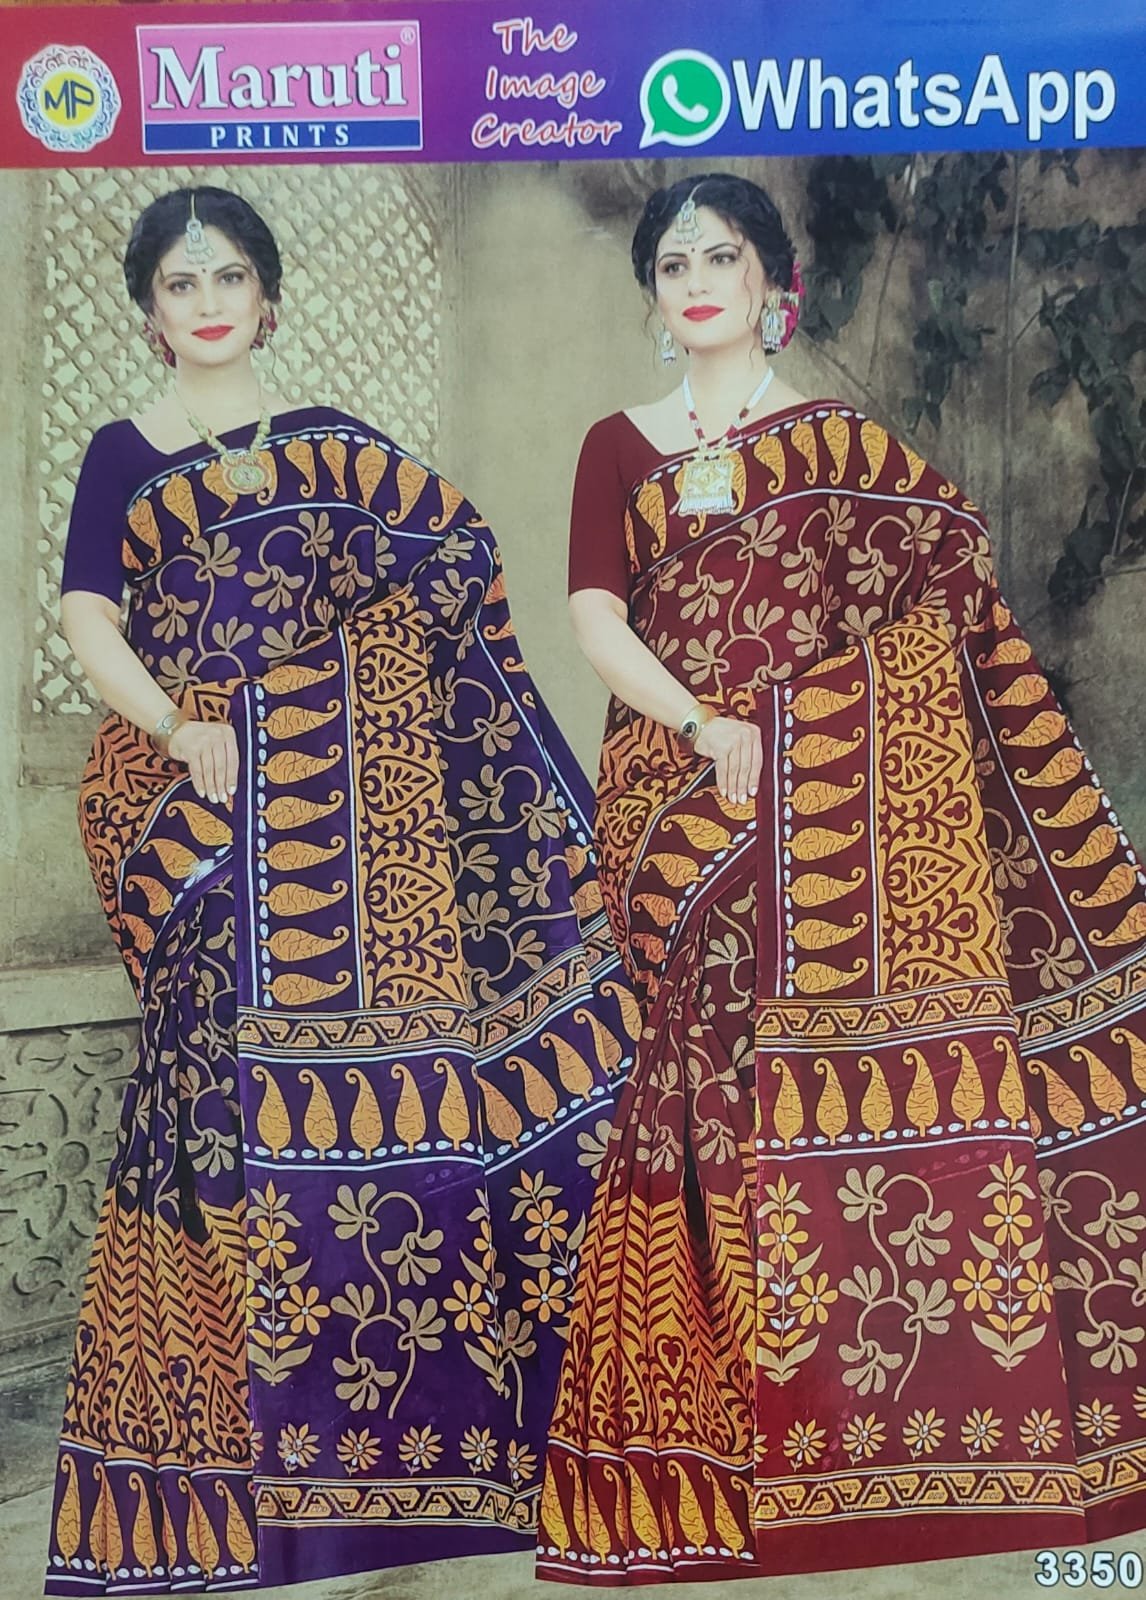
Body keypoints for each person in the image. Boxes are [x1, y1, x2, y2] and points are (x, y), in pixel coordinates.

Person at [538, 171, 1146, 1585]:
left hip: (835, 797)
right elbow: (594, 616)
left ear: (771, 282)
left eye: (722, 257)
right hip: (672, 786)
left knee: (781, 1069)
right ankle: (707, 1444)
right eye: (674, 262)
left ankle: (839, 1420)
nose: (698, 280)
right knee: (699, 1057)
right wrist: (708, 725)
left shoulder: (842, 446)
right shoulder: (618, 445)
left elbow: (946, 591)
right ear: (652, 293)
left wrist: (813, 729)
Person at [46, 184, 637, 1596]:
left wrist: (333, 695)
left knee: (420, 1100)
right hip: (198, 810)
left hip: (356, 835)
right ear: (150, 312)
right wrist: (183, 726)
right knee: (210, 1108)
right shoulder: (124, 454)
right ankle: (224, 1478)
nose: (206, 303)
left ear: (267, 299)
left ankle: (416, 1455)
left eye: (229, 279)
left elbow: (454, 569)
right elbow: (87, 617)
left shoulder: (340, 451)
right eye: (181, 284)